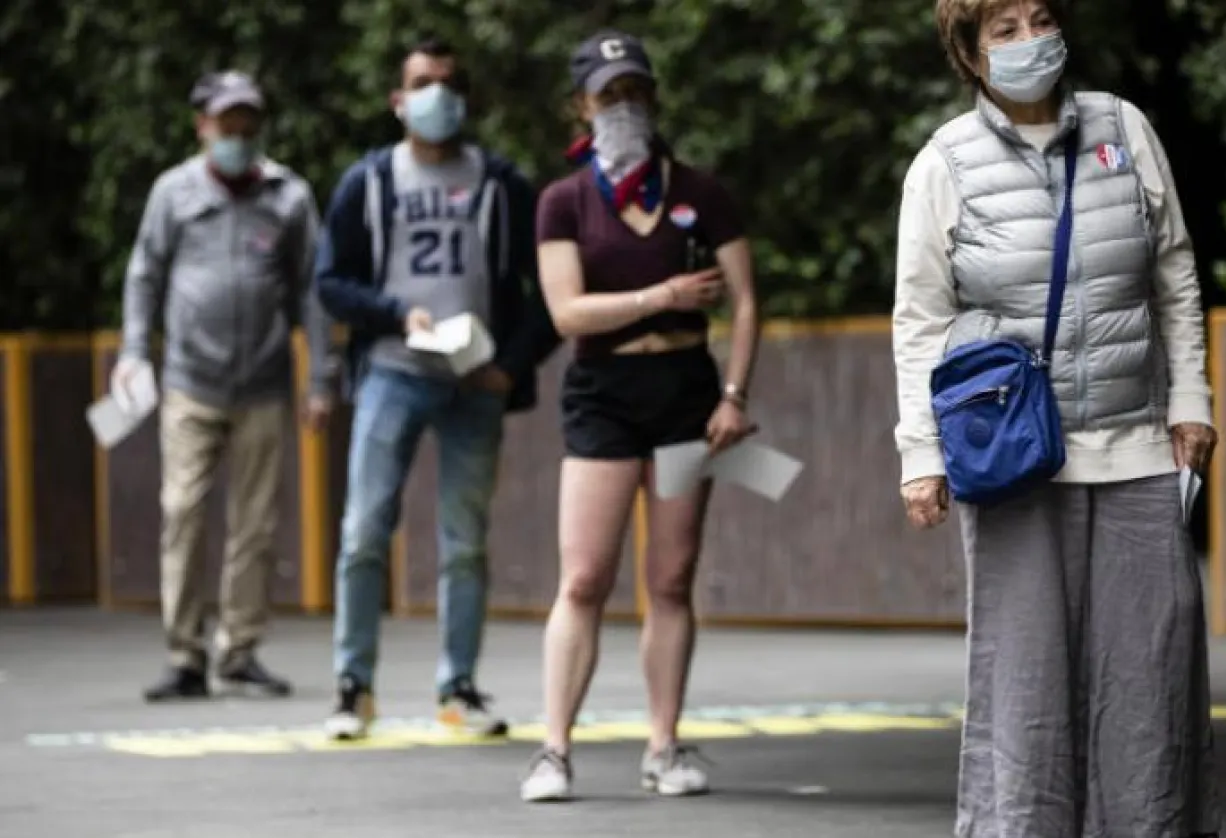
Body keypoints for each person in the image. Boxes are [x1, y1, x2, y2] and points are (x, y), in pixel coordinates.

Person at [892, 1, 1222, 836]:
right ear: (971, 56)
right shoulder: (945, 163)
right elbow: (920, 319)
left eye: (1039, 19)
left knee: (1152, 681)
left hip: (1137, 448)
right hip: (1014, 459)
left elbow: (1174, 271)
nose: (1030, 40)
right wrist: (921, 453)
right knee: (1026, 691)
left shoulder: (1124, 128)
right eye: (1003, 30)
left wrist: (1191, 398)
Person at [519, 30, 760, 802]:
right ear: (581, 107)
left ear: (654, 98)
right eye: (608, 95)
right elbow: (567, 313)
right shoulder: (564, 201)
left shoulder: (700, 191)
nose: (623, 106)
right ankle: (554, 750)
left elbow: (746, 304)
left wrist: (733, 397)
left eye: (634, 92)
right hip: (604, 396)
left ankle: (664, 744)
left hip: (688, 394)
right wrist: (660, 297)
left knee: (672, 576)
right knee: (585, 575)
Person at [313, 38, 559, 740]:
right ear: (398, 100)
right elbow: (330, 282)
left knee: (465, 540)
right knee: (363, 531)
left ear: (465, 99)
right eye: (422, 82)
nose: (436, 96)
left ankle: (458, 687)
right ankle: (354, 687)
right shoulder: (369, 182)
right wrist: (396, 314)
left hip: (474, 381)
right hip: (394, 372)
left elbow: (548, 288)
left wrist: (512, 364)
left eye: (448, 83)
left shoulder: (500, 184)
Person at [118, 70, 338, 703]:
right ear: (203, 127)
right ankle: (184, 653)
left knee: (255, 524)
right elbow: (144, 274)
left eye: (248, 122)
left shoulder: (288, 195)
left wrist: (320, 378)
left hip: (263, 383)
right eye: (227, 123)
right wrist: (134, 350)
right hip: (191, 381)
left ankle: (238, 653)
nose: (238, 133)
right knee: (182, 510)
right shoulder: (174, 192)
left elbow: (312, 291)